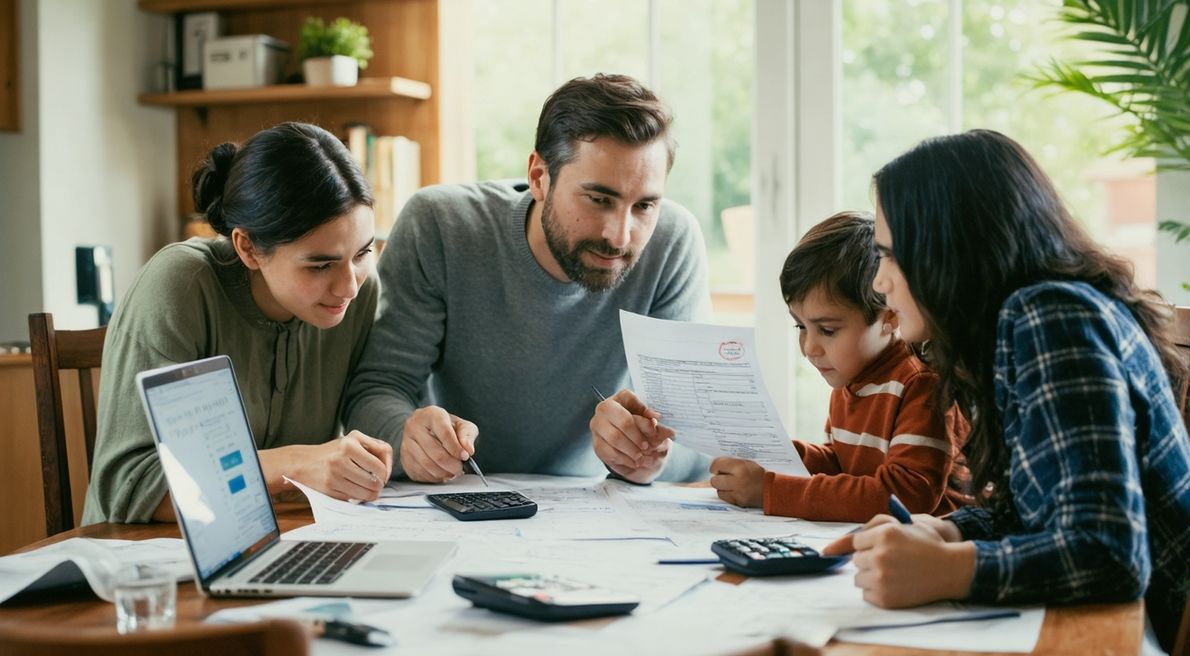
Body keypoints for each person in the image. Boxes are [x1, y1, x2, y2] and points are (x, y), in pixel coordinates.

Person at [824, 129, 1190, 656]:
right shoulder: (1028, 321)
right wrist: (946, 533)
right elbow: (1035, 512)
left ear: (948, 248)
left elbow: (1109, 552)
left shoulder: (1051, 317)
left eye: (889, 255)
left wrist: (947, 570)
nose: (878, 283)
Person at [342, 73, 711, 485]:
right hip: (460, 492)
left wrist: (650, 458)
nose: (620, 236)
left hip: (597, 503)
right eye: (598, 199)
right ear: (538, 177)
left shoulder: (672, 242)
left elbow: (698, 437)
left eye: (644, 206)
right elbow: (375, 390)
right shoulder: (440, 225)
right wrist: (406, 439)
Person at [83, 122, 393, 525]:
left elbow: (369, 401)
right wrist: (295, 465)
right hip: (144, 551)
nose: (349, 286)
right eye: (320, 265)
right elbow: (127, 492)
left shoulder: (360, 294)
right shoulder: (180, 286)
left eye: (363, 253)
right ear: (247, 247)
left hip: (287, 539)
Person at [708, 211, 969, 522]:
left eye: (828, 330)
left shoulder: (919, 385)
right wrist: (776, 455)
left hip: (936, 542)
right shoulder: (851, 377)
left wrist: (771, 490)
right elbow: (842, 465)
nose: (809, 347)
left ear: (889, 316)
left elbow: (907, 495)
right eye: (800, 327)